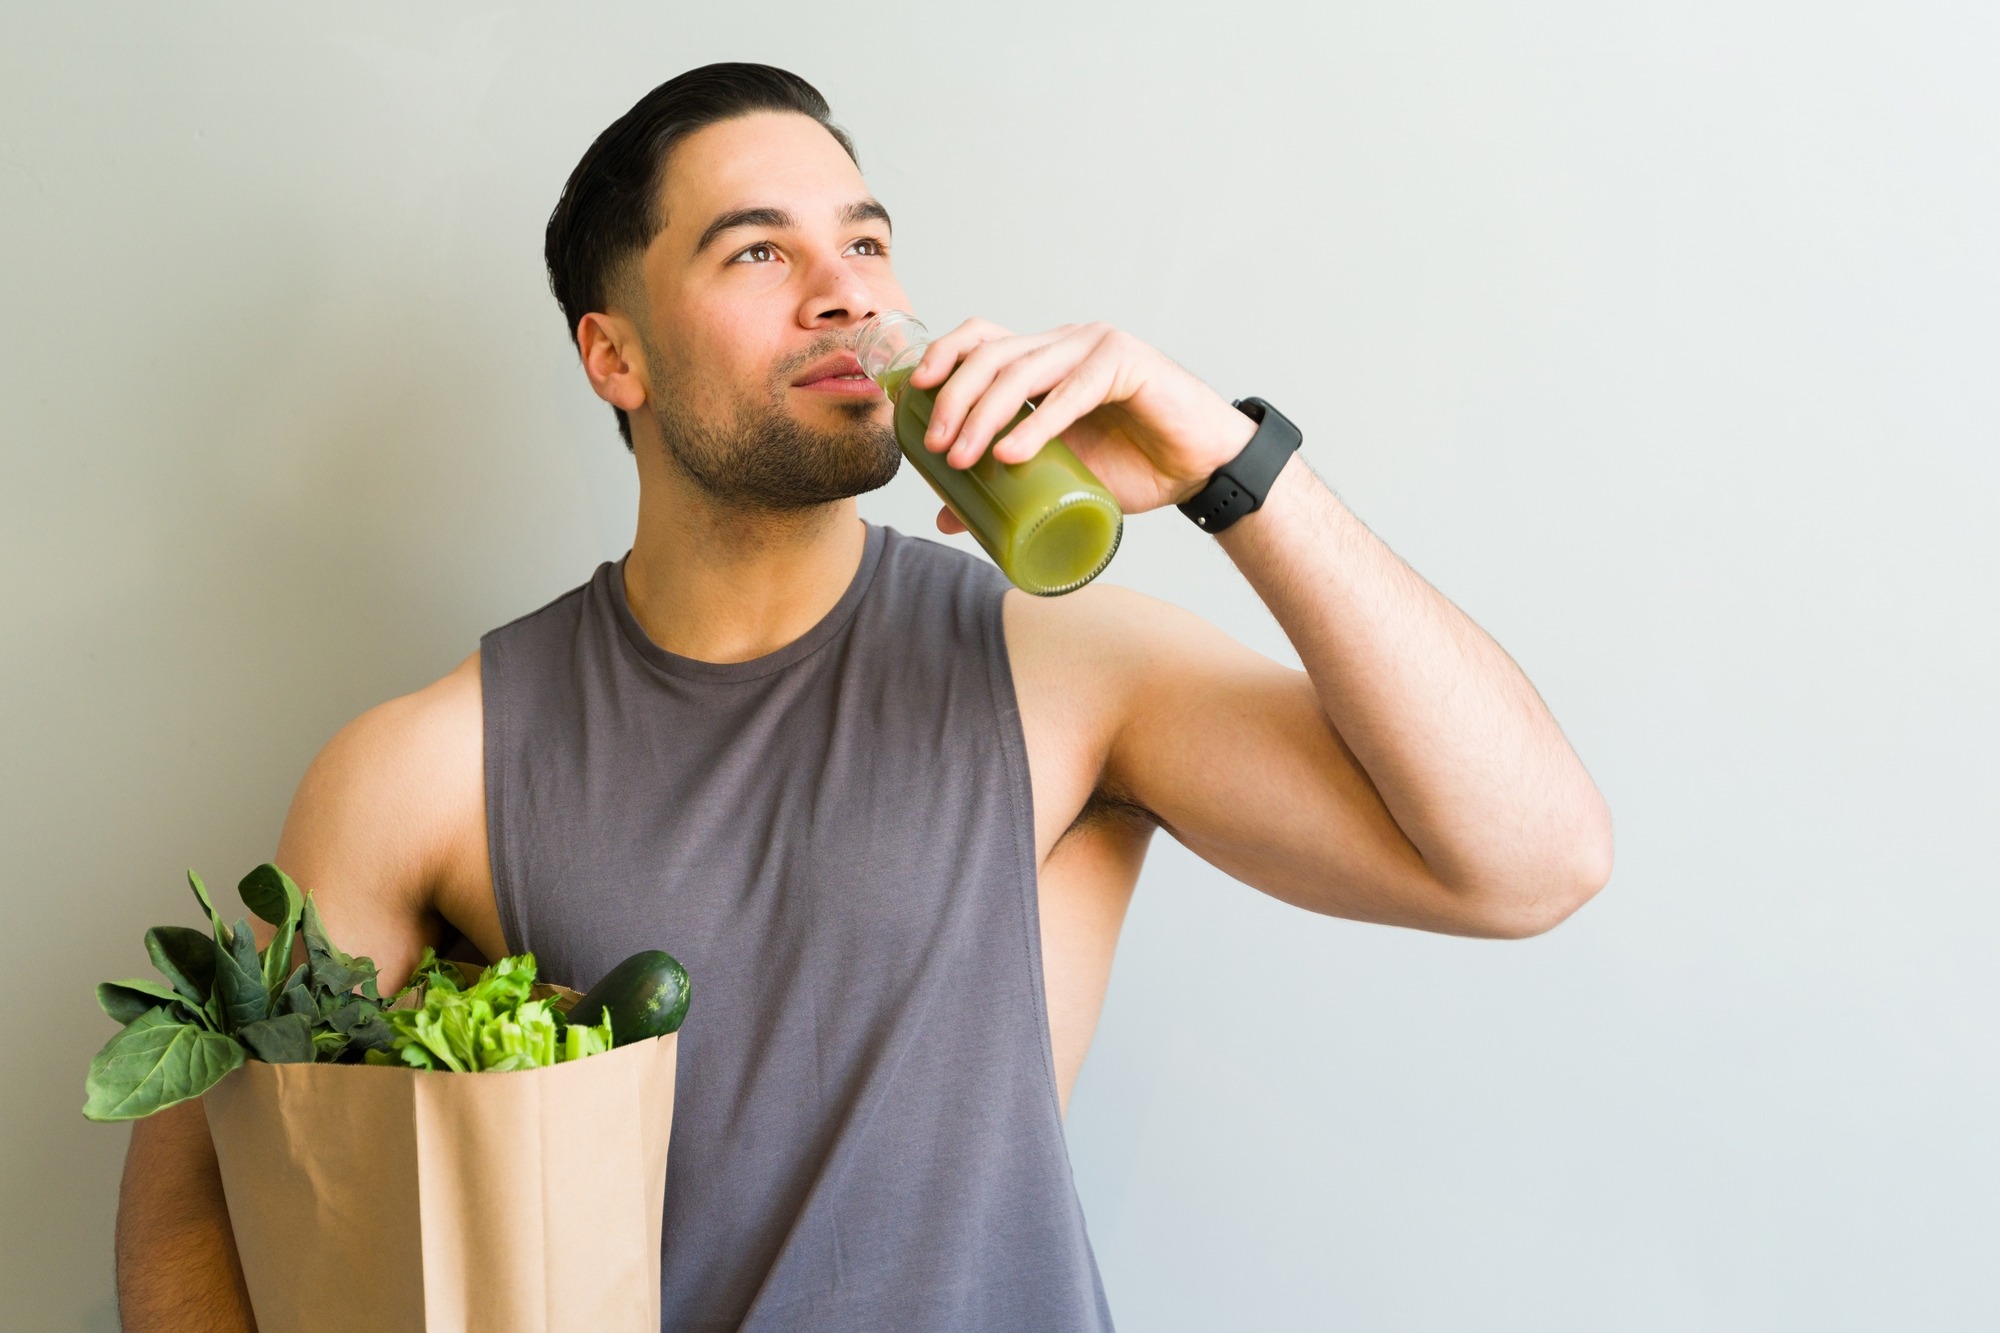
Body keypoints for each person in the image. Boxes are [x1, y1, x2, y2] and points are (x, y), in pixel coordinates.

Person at [113, 62, 1613, 1332]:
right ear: (613, 353)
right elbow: (198, 1208)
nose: (845, 292)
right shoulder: (429, 761)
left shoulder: (1069, 669)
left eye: (868, 242)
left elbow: (1530, 863)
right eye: (758, 253)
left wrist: (1230, 463)